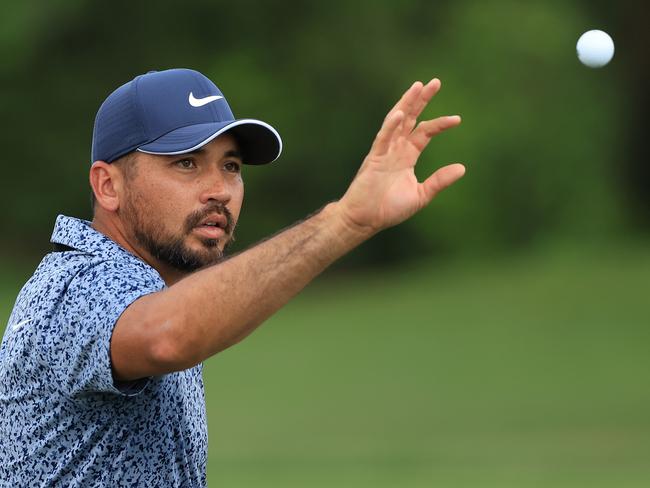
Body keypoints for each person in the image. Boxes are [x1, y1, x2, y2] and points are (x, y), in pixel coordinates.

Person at [0, 68, 465, 486]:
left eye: (231, 166)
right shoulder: (75, 285)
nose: (220, 190)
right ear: (108, 186)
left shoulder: (157, 287)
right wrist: (345, 222)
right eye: (186, 162)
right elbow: (166, 337)